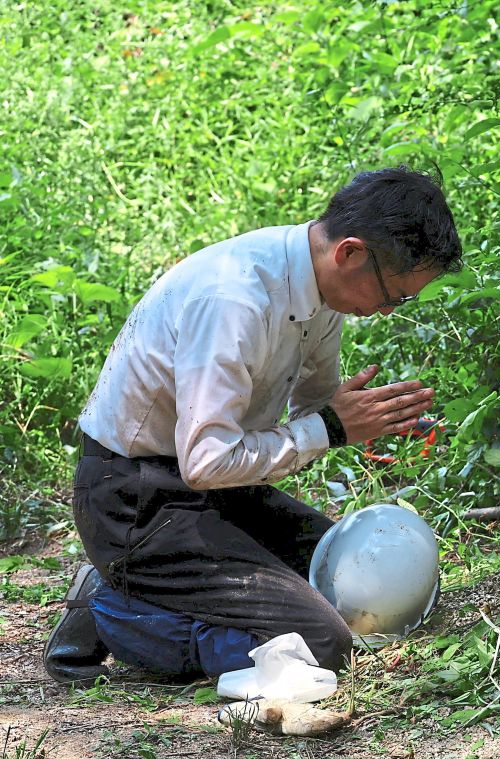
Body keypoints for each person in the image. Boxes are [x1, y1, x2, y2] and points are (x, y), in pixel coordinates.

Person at [43, 167, 462, 683]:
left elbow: (314, 409)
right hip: (135, 498)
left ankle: (155, 588)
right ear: (350, 253)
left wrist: (372, 418)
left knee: (353, 584)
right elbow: (207, 459)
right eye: (393, 295)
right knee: (322, 642)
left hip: (219, 491)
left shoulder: (323, 292)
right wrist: (331, 428)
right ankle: (111, 609)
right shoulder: (234, 298)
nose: (385, 310)